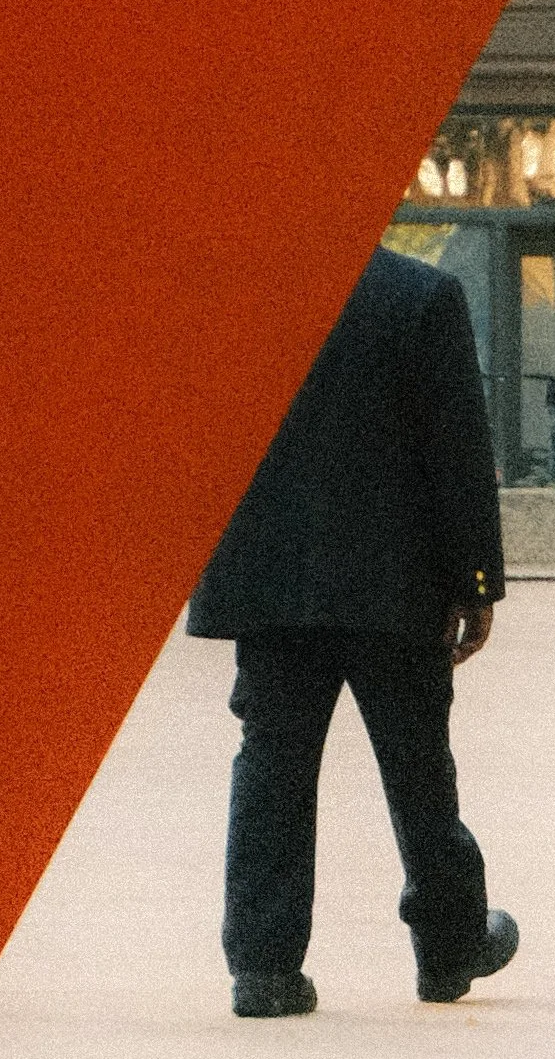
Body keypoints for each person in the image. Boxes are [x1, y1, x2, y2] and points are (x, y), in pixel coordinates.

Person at [187, 244, 518, 1017]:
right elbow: (457, 447)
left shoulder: (233, 295)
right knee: (417, 769)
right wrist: (475, 581)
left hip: (271, 578)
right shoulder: (421, 296)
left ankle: (263, 967)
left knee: (271, 761)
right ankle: (447, 948)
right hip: (394, 578)